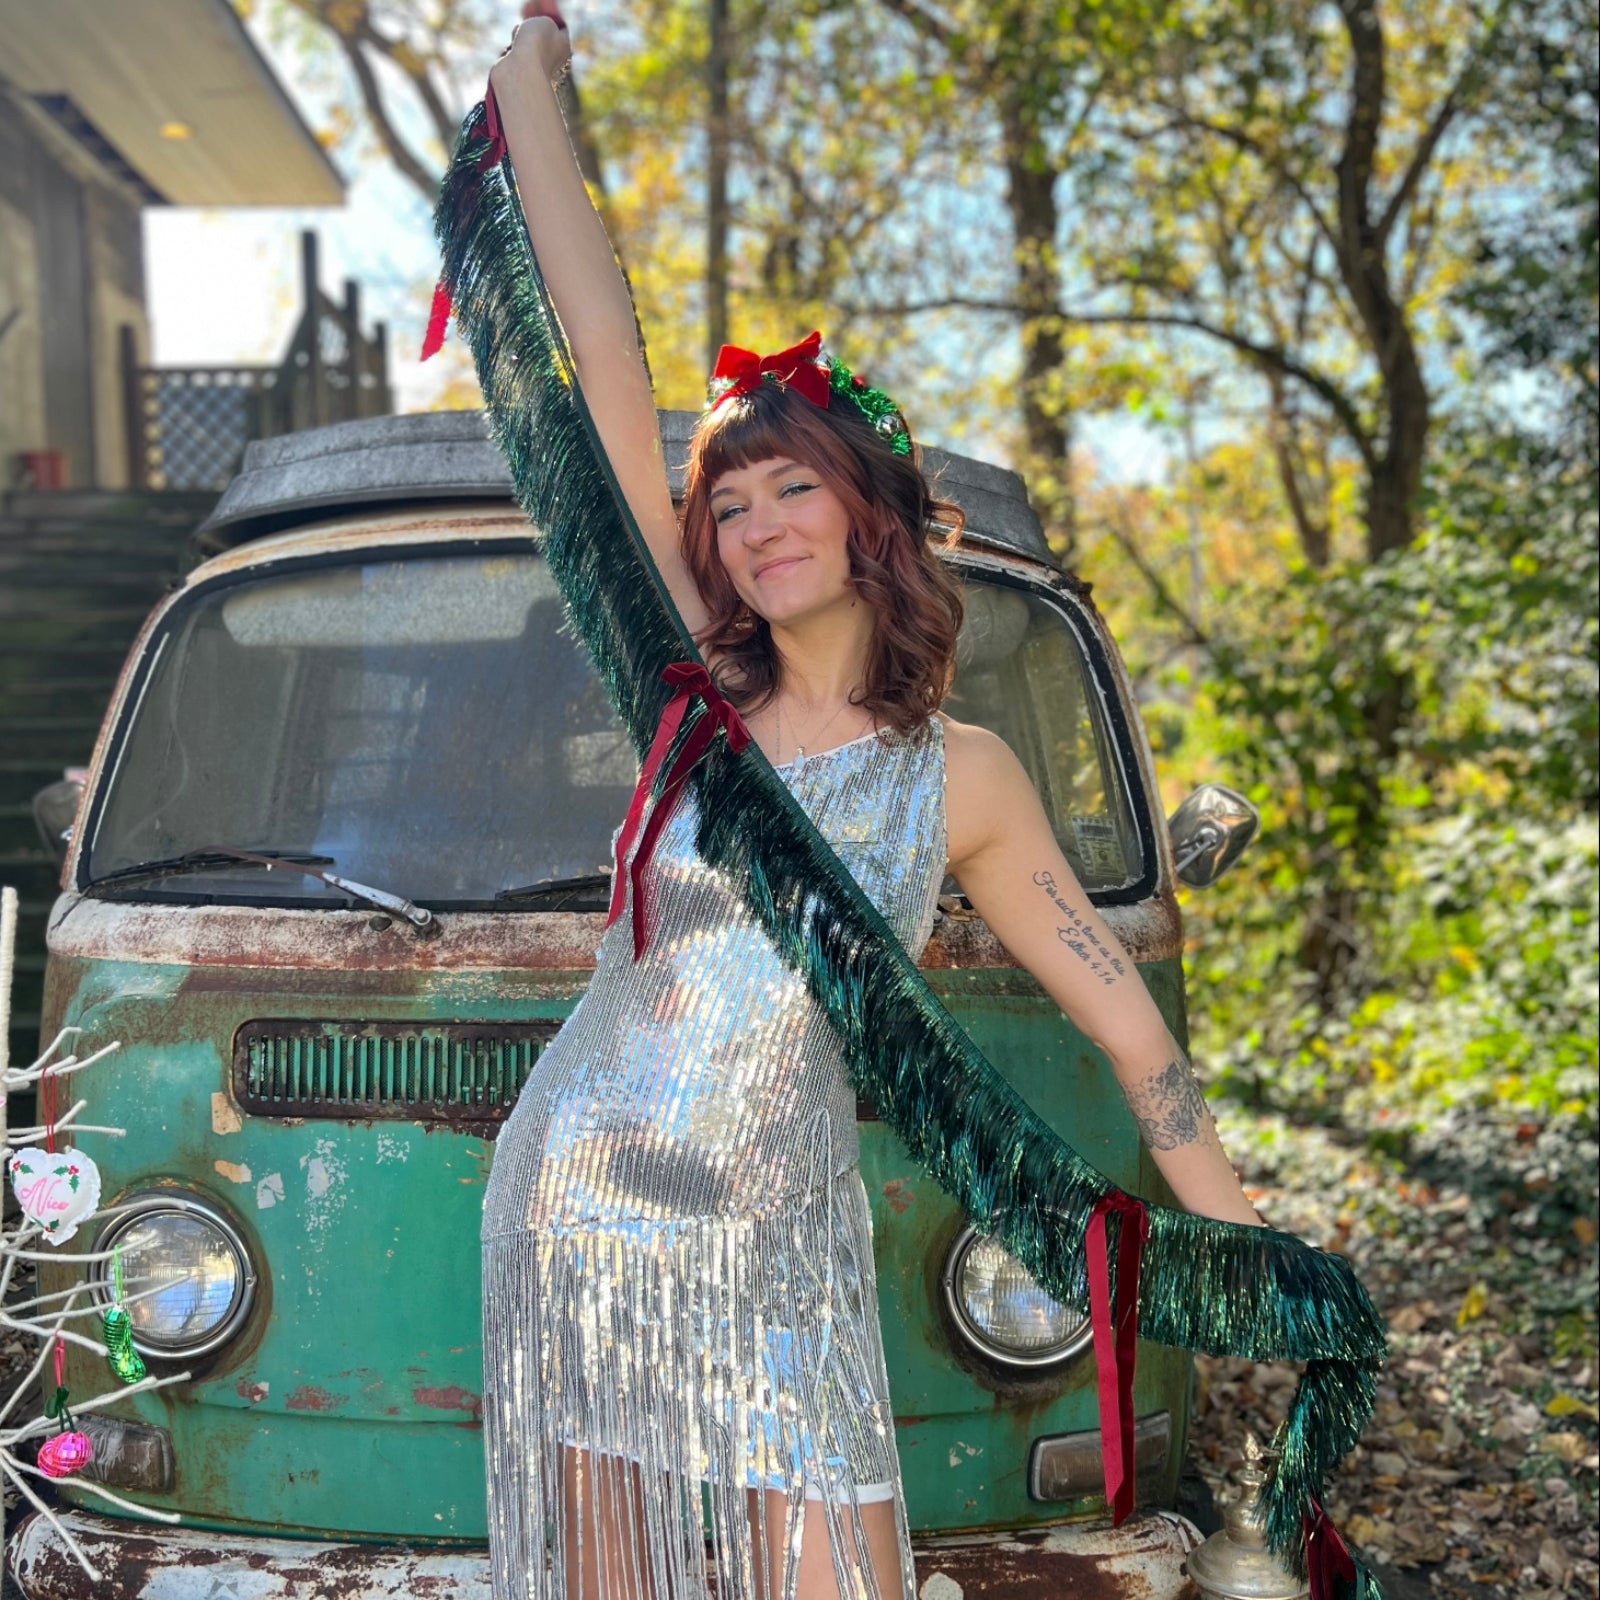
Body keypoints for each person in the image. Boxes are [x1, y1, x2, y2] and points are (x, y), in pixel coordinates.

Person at [477, 9, 1267, 1600]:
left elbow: (1129, 1032)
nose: (760, 522)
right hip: (587, 1204)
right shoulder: (691, 695)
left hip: (779, 1234)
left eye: (796, 487)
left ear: (870, 515)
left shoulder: (961, 773)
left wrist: (1262, 1264)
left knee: (831, 1566)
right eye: (733, 498)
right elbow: (602, 358)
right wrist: (527, 95)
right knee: (615, 1582)